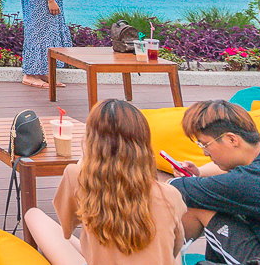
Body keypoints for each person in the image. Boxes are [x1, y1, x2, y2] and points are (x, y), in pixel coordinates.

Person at [23, 99, 186, 265]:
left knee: (33, 215)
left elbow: (66, 230)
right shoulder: (169, 194)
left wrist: (84, 161)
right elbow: (175, 247)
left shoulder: (78, 176)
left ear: (91, 140)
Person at [168, 100, 260, 264]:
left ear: (231, 139)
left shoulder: (248, 181)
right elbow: (228, 172)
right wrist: (199, 172)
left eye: (204, 144)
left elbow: (180, 188)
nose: (204, 152)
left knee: (199, 203)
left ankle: (161, 256)